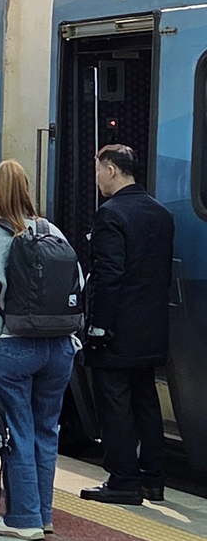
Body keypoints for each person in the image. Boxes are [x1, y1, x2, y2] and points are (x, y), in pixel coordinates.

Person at [0, 160, 77, 539]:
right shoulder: (52, 231)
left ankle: (23, 518)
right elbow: (77, 285)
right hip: (59, 348)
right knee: (46, 430)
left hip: (11, 350)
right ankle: (43, 514)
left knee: (18, 431)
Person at [79, 144, 175, 505]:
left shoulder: (111, 215)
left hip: (117, 329)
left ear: (111, 170)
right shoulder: (161, 213)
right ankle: (153, 479)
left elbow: (108, 276)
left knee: (115, 403)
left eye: (98, 170)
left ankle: (123, 480)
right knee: (146, 399)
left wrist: (98, 327)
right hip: (152, 326)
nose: (97, 178)